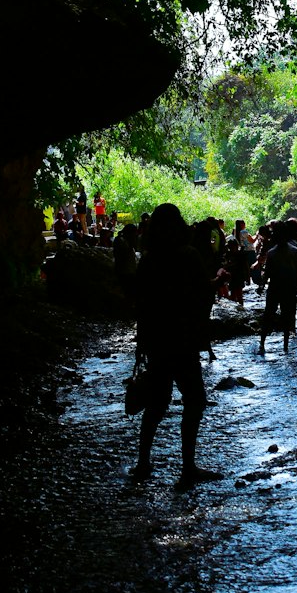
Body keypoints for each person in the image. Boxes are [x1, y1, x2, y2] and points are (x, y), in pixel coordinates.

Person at [133, 203, 216, 488]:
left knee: (156, 404)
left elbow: (141, 304)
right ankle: (187, 467)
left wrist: (141, 342)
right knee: (194, 400)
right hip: (183, 339)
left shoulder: (148, 261)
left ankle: (143, 462)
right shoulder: (188, 256)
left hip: (157, 340)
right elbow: (203, 294)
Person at [259, 219, 297, 355]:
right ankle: (285, 348)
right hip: (288, 289)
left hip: (276, 289)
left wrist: (262, 286)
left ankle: (262, 345)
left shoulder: (273, 252)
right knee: (286, 318)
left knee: (268, 317)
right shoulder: (294, 251)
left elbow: (266, 274)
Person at [112, 222, 139, 302]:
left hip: (126, 271)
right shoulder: (122, 242)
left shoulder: (122, 240)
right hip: (125, 271)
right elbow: (122, 257)